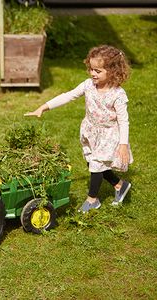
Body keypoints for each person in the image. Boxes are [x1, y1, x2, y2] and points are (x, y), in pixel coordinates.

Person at [25, 45, 133, 213]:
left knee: (96, 165)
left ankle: (92, 200)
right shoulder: (88, 85)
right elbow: (68, 95)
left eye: (98, 71)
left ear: (112, 71)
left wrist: (123, 144)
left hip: (108, 134)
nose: (92, 74)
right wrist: (44, 107)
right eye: (91, 69)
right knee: (94, 163)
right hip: (90, 131)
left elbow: (124, 120)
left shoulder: (118, 95)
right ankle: (120, 185)